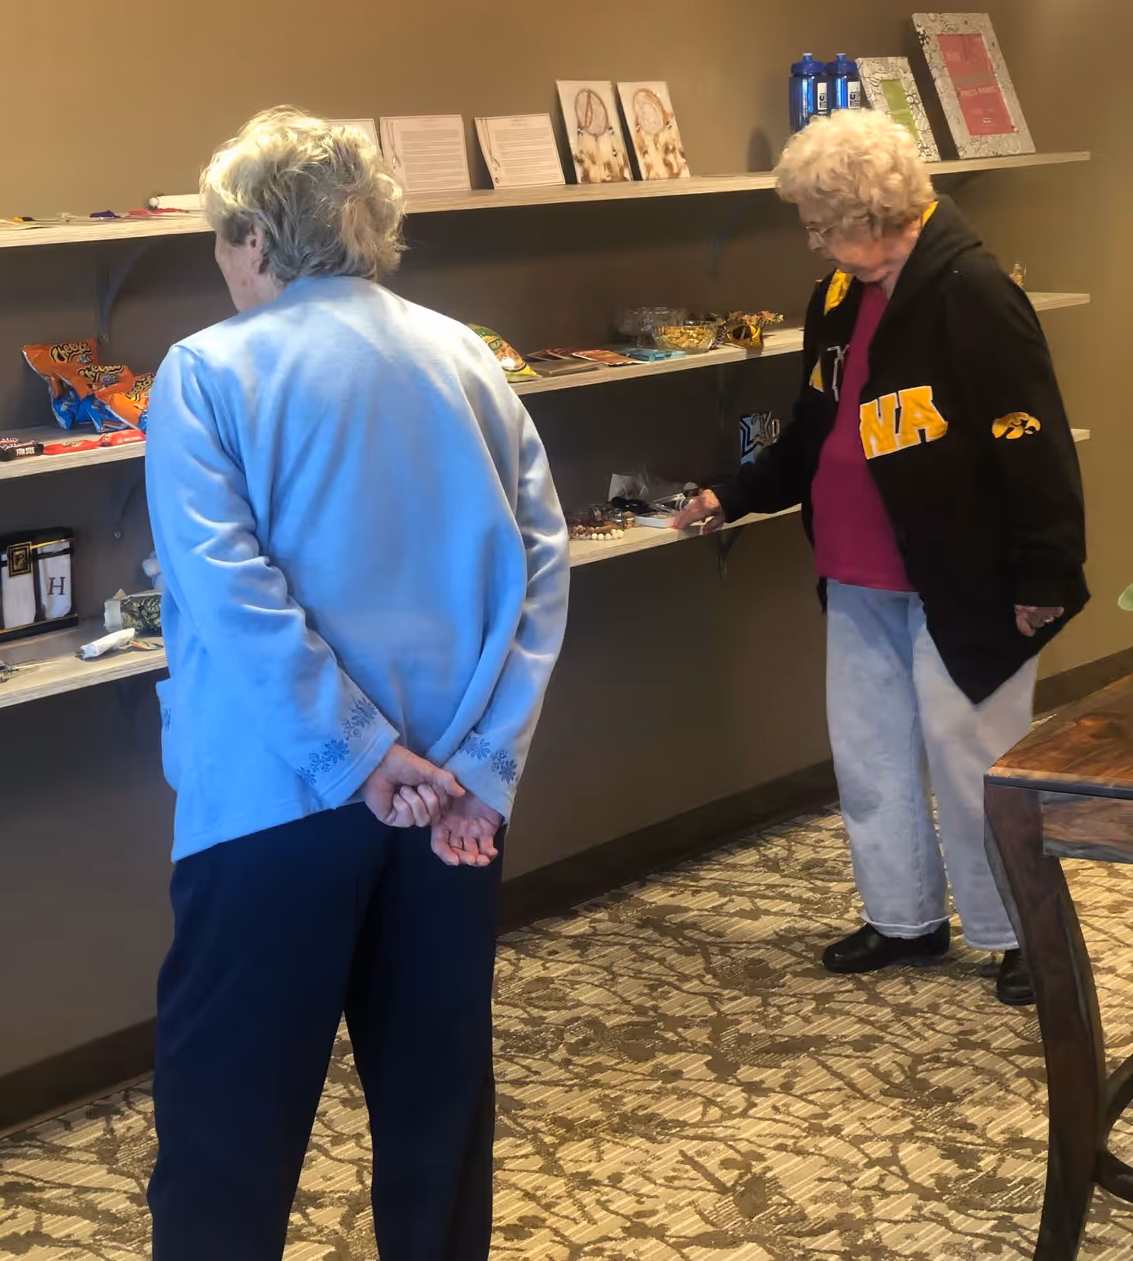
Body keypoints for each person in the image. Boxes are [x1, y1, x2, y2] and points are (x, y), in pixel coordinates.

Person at [144, 108, 570, 1261]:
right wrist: (479, 768)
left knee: (229, 1126)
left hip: (275, 808)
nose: (222, 263)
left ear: (255, 238)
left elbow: (231, 594)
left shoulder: (206, 374)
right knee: (436, 1117)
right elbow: (542, 577)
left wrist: (356, 754)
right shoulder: (469, 357)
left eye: (220, 239)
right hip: (453, 816)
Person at [675, 110, 1087, 1007]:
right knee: (871, 755)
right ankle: (904, 917)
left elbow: (1033, 440)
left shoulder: (971, 290)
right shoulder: (837, 297)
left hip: (963, 577)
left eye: (824, 225)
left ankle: (1017, 931)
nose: (813, 242)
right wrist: (733, 492)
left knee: (975, 760)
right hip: (858, 568)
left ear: (875, 212)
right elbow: (813, 428)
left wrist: (1046, 573)